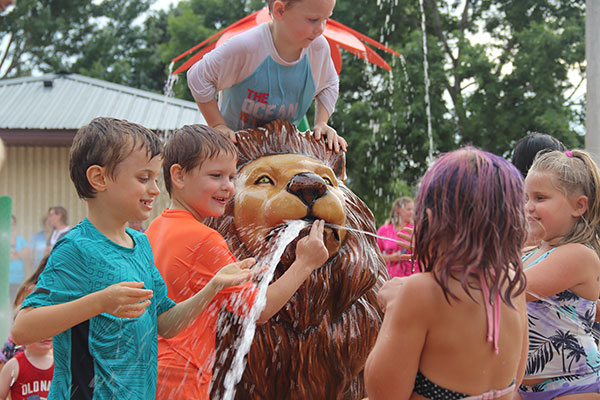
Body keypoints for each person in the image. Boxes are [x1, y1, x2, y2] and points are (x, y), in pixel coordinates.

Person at [10, 117, 261, 399]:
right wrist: (100, 302)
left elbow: (165, 322)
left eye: (155, 178)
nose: (155, 189)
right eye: (144, 178)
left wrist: (212, 287)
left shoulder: (140, 243)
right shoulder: (76, 247)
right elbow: (23, 329)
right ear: (99, 178)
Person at [145, 124, 329, 400]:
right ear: (179, 176)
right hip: (183, 375)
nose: (228, 187)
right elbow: (259, 309)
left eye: (232, 176)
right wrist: (305, 262)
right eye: (216, 176)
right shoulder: (205, 239)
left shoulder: (154, 229)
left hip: (149, 367)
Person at [364, 147, 529, 399]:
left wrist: (393, 307)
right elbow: (516, 377)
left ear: (428, 219)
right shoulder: (510, 282)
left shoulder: (422, 292)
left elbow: (383, 393)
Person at [186, 0, 347, 153]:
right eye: (313, 19)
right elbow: (198, 77)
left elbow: (330, 83)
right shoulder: (248, 46)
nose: (321, 29)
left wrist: (321, 122)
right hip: (235, 148)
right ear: (280, 11)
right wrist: (217, 125)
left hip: (283, 148)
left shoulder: (318, 48)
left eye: (326, 19)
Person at [517, 149, 600, 399]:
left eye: (540, 198)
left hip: (574, 385)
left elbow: (508, 289)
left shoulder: (577, 255)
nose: (529, 207)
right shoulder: (528, 252)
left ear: (579, 206)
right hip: (524, 386)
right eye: (526, 198)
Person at [0, 336, 54, 400]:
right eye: (37, 330)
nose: (46, 335)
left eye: (49, 330)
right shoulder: (14, 365)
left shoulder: (62, 362)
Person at [376, 197, 418, 278]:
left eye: (413, 210)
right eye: (408, 209)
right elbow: (375, 255)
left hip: (413, 278)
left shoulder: (416, 229)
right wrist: (391, 258)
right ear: (398, 209)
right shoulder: (384, 230)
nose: (411, 213)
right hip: (390, 278)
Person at [10, 215, 30, 307]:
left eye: (13, 224)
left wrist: (16, 253)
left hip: (18, 279)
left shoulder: (20, 240)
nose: (11, 226)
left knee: (16, 304)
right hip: (3, 280)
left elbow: (26, 255)